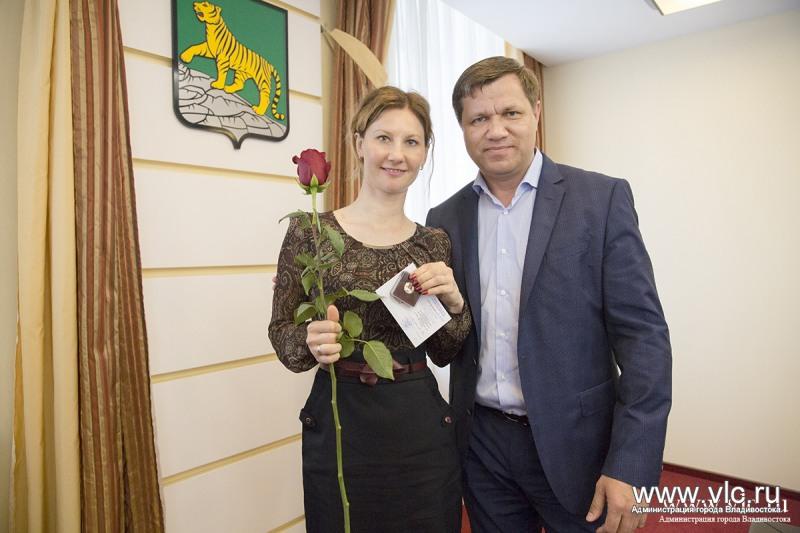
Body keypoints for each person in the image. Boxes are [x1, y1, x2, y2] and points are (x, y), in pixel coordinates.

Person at [426, 56, 672, 533]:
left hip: (580, 447)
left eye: (510, 113)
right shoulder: (444, 218)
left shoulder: (600, 200)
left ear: (536, 112)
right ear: (463, 129)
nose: (496, 130)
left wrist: (631, 462)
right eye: (479, 119)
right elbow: (447, 333)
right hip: (483, 448)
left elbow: (644, 339)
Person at [268, 87, 471, 533]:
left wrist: (455, 304)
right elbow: (282, 332)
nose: (396, 154)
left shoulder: (433, 243)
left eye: (411, 142)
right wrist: (309, 340)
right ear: (359, 143)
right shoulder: (310, 233)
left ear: (424, 154)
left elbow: (444, 351)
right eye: (384, 138)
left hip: (421, 434)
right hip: (341, 429)